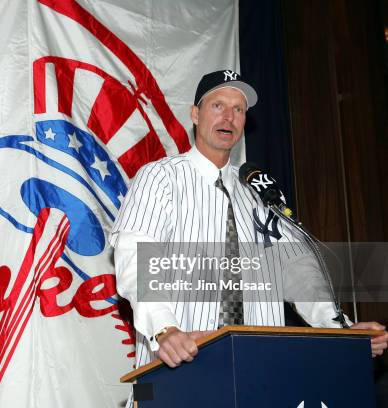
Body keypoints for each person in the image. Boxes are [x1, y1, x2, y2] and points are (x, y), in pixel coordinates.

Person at [110, 70, 388, 371]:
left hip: (254, 370)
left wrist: (341, 330)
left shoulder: (259, 191)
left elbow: (297, 270)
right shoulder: (161, 177)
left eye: (238, 109)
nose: (228, 117)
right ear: (195, 114)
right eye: (218, 106)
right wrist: (164, 328)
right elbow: (136, 255)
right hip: (179, 364)